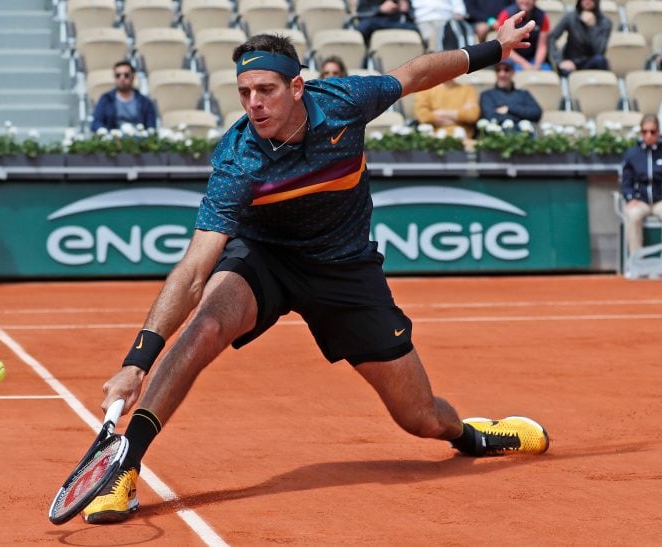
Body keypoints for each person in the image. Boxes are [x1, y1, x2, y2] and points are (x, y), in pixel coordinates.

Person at [82, 13, 550, 525]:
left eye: (265, 90)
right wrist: (137, 362)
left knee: (419, 417)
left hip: (343, 268)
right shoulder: (238, 162)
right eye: (244, 92)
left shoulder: (344, 104)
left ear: (298, 87)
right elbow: (195, 269)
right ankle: (125, 463)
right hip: (265, 257)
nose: (254, 104)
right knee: (204, 327)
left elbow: (415, 73)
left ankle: (470, 436)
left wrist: (494, 50)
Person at [620, 114, 662, 262]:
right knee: (633, 215)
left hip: (659, 201)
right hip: (640, 200)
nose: (649, 135)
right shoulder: (632, 154)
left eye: (652, 131)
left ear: (658, 132)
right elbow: (626, 181)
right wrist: (630, 197)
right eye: (645, 132)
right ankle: (636, 262)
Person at [547, 0, 611, 76]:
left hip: (591, 61)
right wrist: (559, 60)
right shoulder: (570, 17)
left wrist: (592, 27)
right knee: (564, 70)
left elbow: (599, 51)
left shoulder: (605, 22)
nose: (587, 1)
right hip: (570, 61)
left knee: (601, 61)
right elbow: (552, 37)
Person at [90, 61, 156, 132]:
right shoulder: (106, 99)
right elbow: (96, 123)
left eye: (126, 75)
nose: (122, 78)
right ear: (114, 78)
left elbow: (151, 126)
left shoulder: (144, 102)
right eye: (118, 75)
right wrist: (103, 131)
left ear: (133, 77)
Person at [479, 58, 542, 125]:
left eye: (506, 70)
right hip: (498, 134)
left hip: (524, 133)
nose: (502, 74)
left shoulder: (524, 94)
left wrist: (509, 109)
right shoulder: (487, 95)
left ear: (513, 73)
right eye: (498, 70)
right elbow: (490, 117)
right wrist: (522, 117)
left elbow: (537, 113)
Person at [496, 0, 551, 71]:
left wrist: (537, 65)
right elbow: (503, 46)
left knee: (546, 70)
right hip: (511, 59)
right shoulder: (506, 14)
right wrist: (524, 64)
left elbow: (542, 46)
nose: (525, 1)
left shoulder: (542, 16)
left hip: (533, 58)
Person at [414, 77, 480, 137]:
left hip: (464, 139)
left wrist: (438, 113)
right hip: (434, 139)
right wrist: (460, 114)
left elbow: (472, 116)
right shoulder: (425, 91)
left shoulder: (468, 90)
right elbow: (423, 117)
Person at [353, 0, 421, 47]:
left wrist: (405, 9)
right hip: (374, 21)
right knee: (364, 26)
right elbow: (361, 12)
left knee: (414, 28)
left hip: (395, 23)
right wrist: (380, 9)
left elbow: (411, 16)